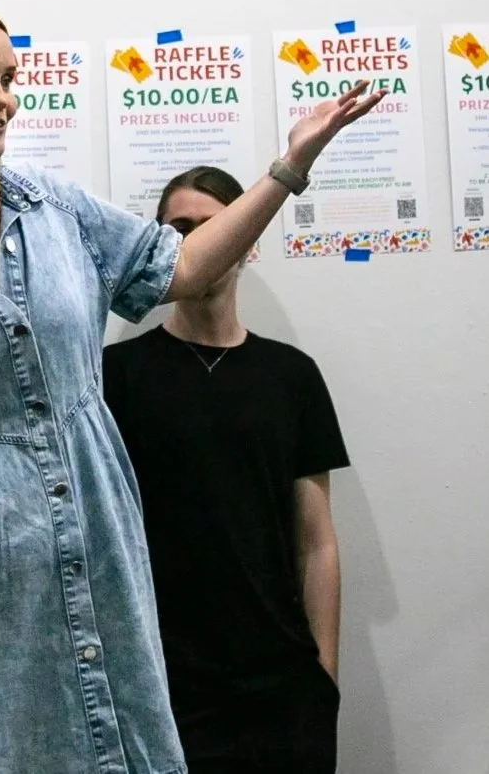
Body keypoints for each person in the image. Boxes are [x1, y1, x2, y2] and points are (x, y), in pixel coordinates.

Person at [0, 0, 380, 773]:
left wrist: (288, 167)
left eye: (8, 78)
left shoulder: (53, 209)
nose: (1, 98)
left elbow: (183, 264)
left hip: (94, 564)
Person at [102, 166, 349, 774]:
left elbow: (316, 542)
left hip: (282, 688)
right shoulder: (113, 376)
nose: (197, 241)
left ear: (245, 238)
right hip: (160, 686)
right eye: (180, 229)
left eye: (212, 225)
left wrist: (323, 678)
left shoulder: (291, 376)